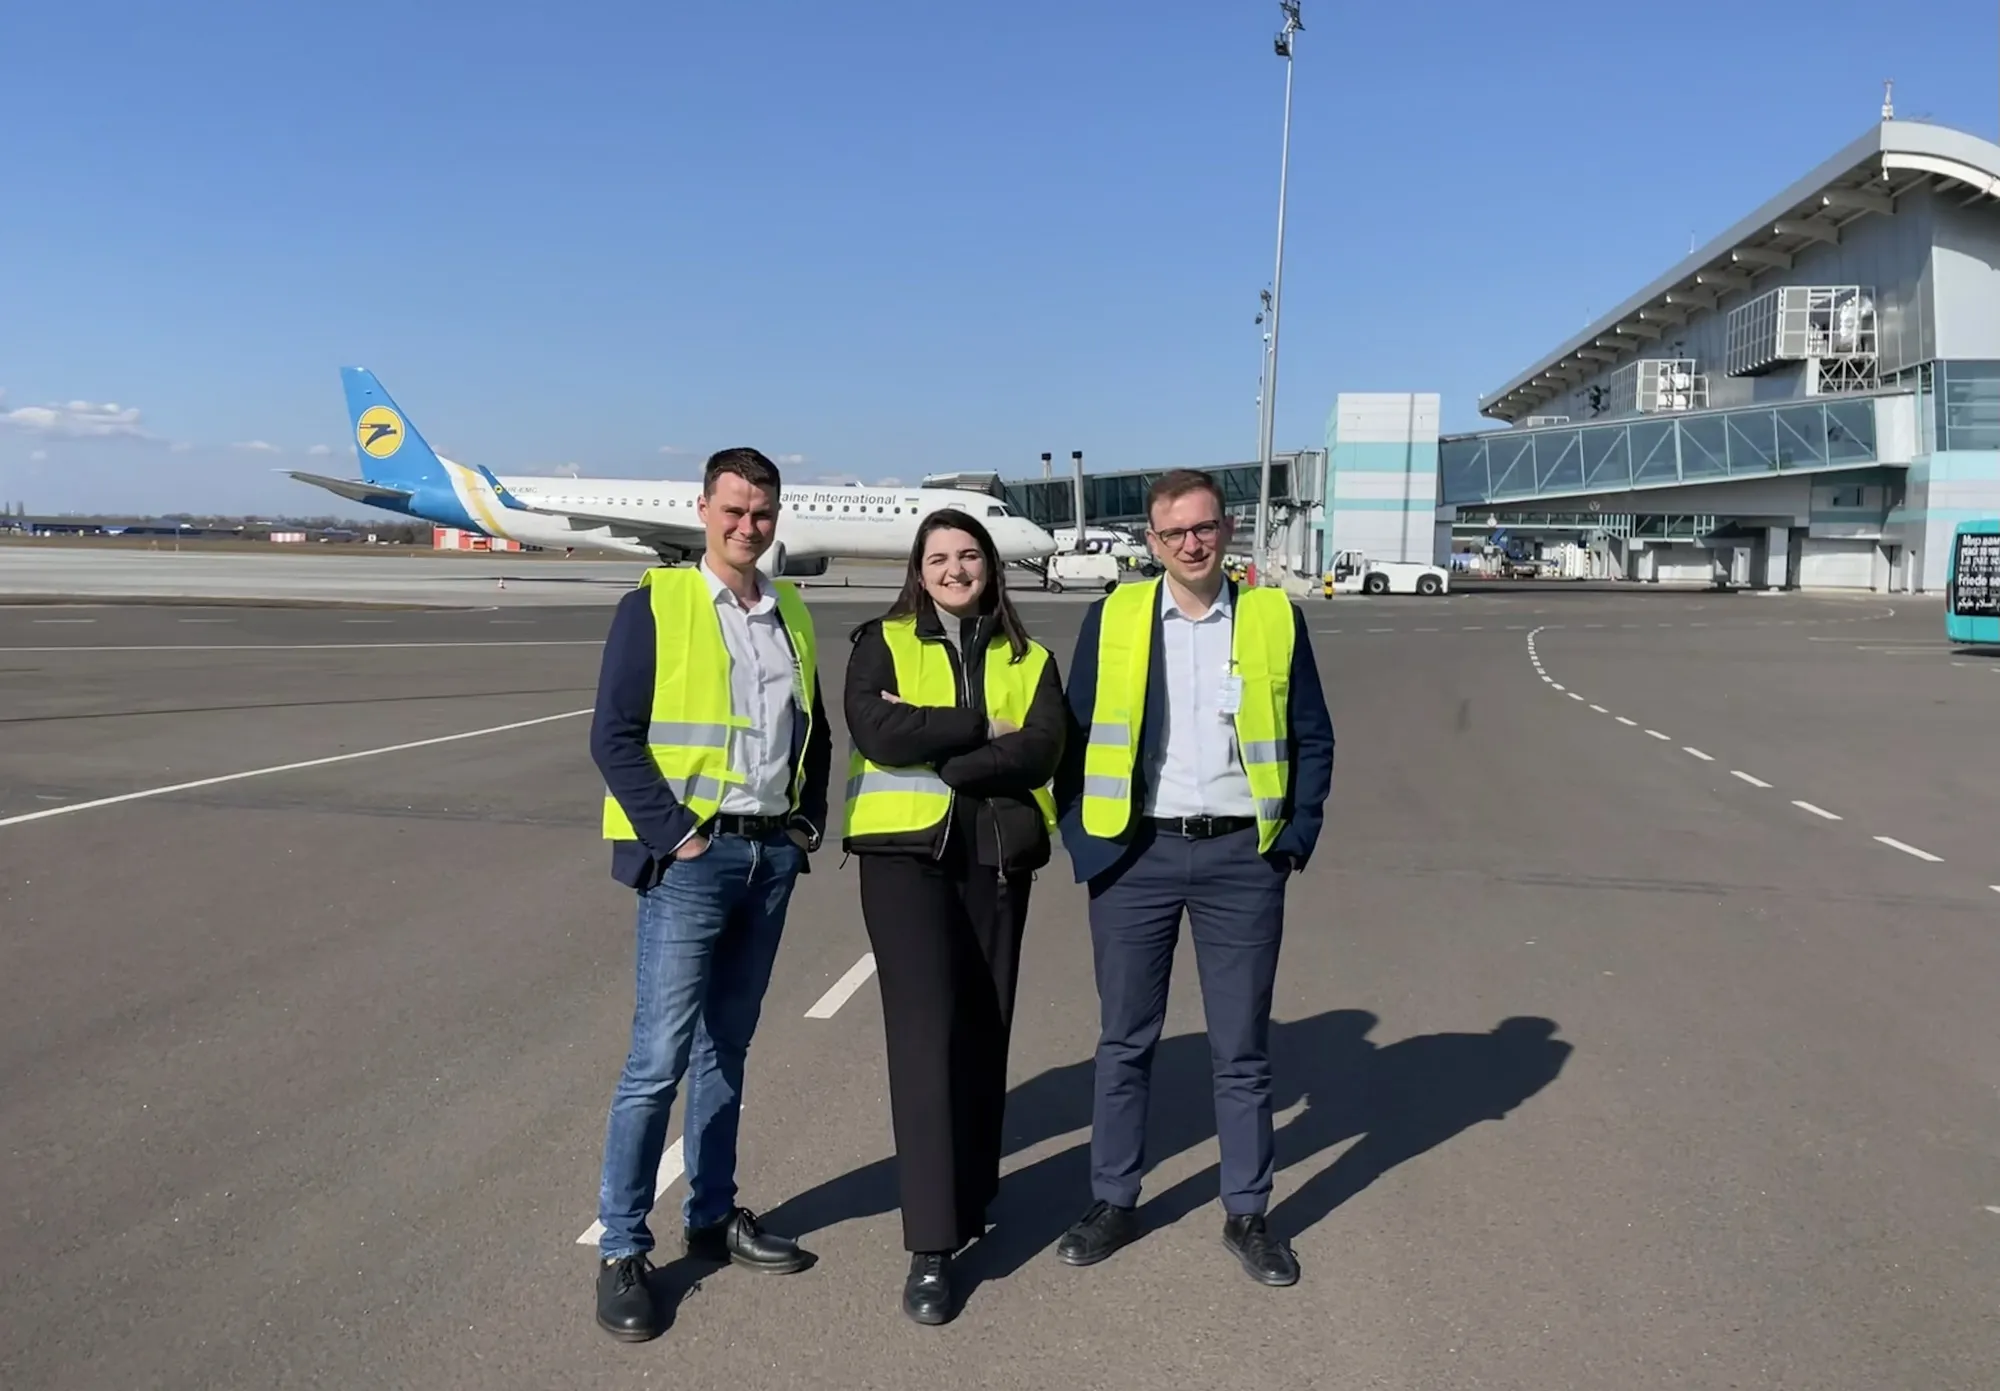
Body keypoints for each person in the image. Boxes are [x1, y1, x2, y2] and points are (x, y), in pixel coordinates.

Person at [1052, 468, 1335, 1288]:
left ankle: (1248, 1212)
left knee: (1241, 1049)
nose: (1191, 543)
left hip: (1240, 858)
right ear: (1152, 541)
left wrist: (1292, 838)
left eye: (1204, 527)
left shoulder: (1274, 617)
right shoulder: (1116, 616)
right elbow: (1072, 731)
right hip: (1134, 855)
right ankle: (1114, 1198)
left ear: (1227, 528)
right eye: (1174, 532)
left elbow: (1311, 733)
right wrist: (1086, 835)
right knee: (1124, 1041)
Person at [588, 447, 832, 1343]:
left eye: (762, 513)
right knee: (656, 1061)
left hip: (769, 859)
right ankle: (621, 1247)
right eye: (733, 510)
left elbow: (816, 731)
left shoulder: (792, 613)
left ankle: (712, 1214)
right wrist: (679, 836)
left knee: (728, 1049)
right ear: (704, 509)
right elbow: (613, 737)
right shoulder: (655, 604)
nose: (748, 526)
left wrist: (804, 825)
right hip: (692, 863)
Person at [842, 508, 1067, 1325]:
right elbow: (874, 727)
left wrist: (936, 742)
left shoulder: (1029, 655)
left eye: (968, 555)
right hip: (904, 861)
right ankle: (931, 1244)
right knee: (926, 1035)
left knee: (984, 1028)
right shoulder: (882, 640)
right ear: (918, 568)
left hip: (997, 858)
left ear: (990, 566)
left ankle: (972, 1192)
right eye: (938, 557)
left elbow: (1044, 747)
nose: (954, 569)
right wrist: (979, 728)